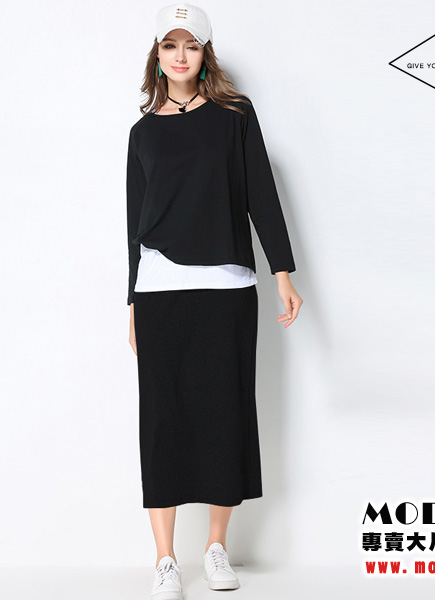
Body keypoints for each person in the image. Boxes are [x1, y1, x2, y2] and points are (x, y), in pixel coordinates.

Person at [126, 4, 303, 599]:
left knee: (223, 414)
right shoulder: (142, 133)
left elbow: (261, 193)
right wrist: (131, 301)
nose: (180, 55)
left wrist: (282, 273)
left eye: (191, 45)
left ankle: (216, 547)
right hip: (158, 291)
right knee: (163, 420)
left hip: (226, 287)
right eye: (170, 45)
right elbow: (134, 223)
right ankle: (165, 559)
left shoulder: (234, 116)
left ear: (205, 56)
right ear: (157, 55)